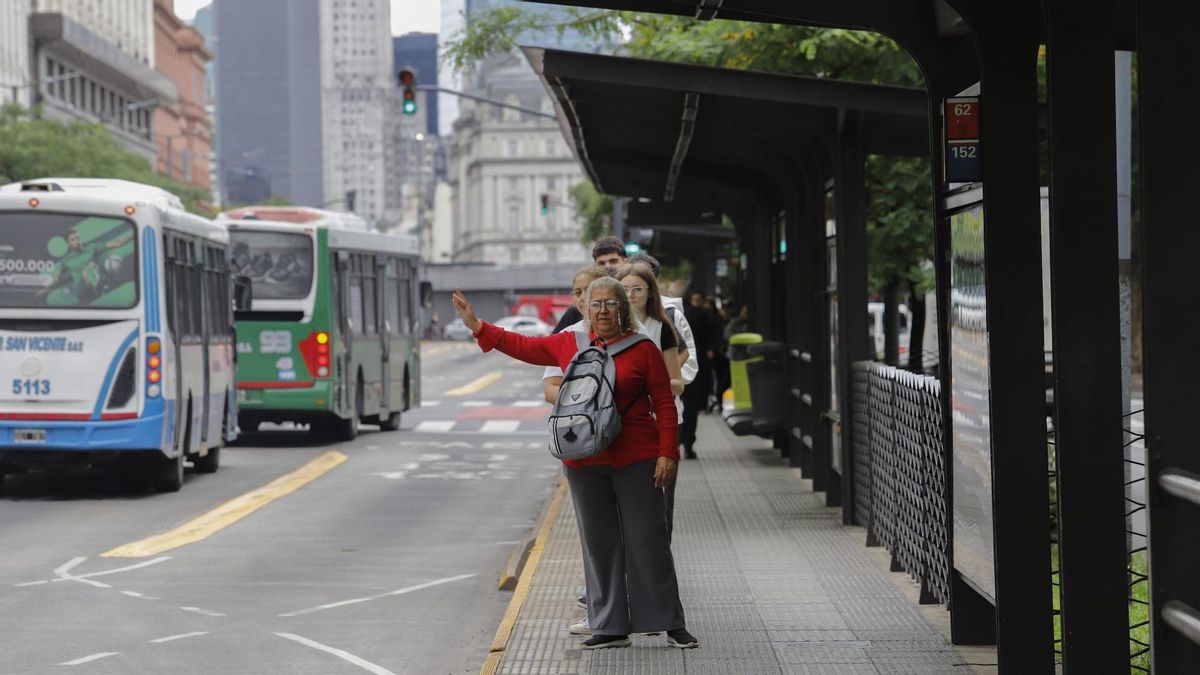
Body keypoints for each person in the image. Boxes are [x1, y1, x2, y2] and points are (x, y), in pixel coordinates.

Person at [452, 280, 700, 650]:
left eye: (610, 304)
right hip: (584, 458)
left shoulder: (643, 347)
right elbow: (525, 346)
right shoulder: (570, 344)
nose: (602, 310)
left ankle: (668, 621)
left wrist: (668, 453)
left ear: (622, 309)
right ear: (584, 308)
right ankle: (610, 625)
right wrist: (478, 326)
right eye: (595, 303)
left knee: (648, 539)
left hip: (637, 456)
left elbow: (663, 402)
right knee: (599, 544)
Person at [553, 235, 628, 333]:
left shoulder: (634, 296)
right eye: (601, 263)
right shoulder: (579, 308)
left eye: (613, 261)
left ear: (626, 262)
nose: (608, 267)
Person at [680, 290, 716, 459]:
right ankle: (688, 444)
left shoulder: (669, 314)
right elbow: (711, 333)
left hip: (673, 365)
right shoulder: (699, 314)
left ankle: (676, 440)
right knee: (691, 407)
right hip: (695, 365)